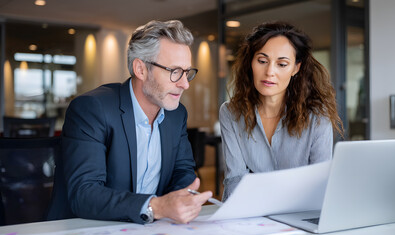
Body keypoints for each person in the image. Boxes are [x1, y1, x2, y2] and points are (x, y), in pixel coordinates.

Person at [47, 20, 212, 224]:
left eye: (187, 72)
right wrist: (157, 206)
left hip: (149, 229)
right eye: (174, 72)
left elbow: (182, 171)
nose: (185, 84)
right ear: (140, 69)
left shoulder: (176, 114)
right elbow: (85, 194)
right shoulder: (92, 109)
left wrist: (180, 200)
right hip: (87, 229)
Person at [220, 21, 343, 200]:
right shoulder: (230, 113)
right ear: (250, 63)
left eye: (282, 64)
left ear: (296, 68)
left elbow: (320, 183)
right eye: (262, 61)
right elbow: (234, 181)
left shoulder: (316, 116)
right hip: (251, 214)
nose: (270, 71)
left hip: (302, 213)